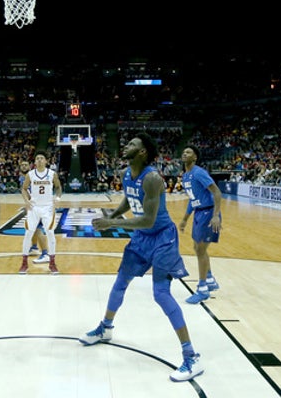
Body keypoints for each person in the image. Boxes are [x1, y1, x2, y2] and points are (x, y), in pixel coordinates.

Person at [79, 132, 204, 382]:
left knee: (161, 293)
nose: (127, 145)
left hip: (162, 238)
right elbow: (129, 199)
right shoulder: (128, 174)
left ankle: (191, 356)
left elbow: (147, 219)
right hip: (141, 238)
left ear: (143, 152)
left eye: (133, 144)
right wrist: (114, 215)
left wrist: (111, 224)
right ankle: (106, 328)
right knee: (120, 282)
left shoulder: (153, 179)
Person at [178, 145, 222, 304]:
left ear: (195, 157)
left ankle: (202, 288)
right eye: (184, 151)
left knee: (201, 249)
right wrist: (185, 218)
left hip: (209, 213)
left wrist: (216, 215)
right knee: (198, 248)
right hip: (198, 213)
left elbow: (216, 192)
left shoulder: (199, 172)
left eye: (188, 152)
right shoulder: (185, 176)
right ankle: (209, 279)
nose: (185, 153)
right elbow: (192, 199)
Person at [19, 151, 62, 274]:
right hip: (34, 207)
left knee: (50, 233)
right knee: (28, 233)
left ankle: (52, 263)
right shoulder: (30, 174)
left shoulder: (52, 174)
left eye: (41, 158)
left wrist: (57, 198)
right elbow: (24, 188)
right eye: (37, 158)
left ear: (46, 161)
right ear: (35, 162)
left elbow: (58, 187)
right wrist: (26, 200)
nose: (39, 160)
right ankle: (24, 263)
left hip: (48, 207)